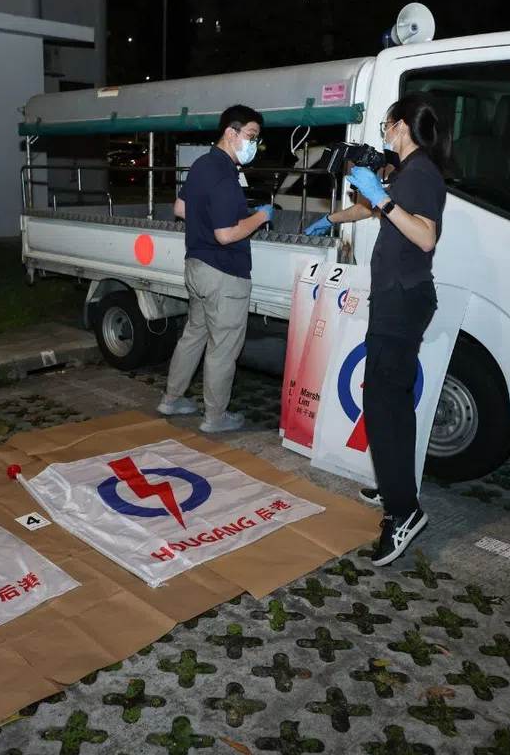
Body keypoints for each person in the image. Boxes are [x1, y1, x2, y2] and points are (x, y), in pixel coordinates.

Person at [305, 94, 449, 566]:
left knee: (383, 403)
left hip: (404, 300)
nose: (383, 132)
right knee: (388, 400)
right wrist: (332, 218)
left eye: (388, 123)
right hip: (395, 297)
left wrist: (383, 198)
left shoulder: (422, 173)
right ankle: (393, 484)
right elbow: (373, 211)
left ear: (403, 126)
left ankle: (403, 512)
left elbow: (425, 234)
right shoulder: (407, 172)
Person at [157, 105, 274, 433]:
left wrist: (212, 216)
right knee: (223, 347)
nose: (254, 143)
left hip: (196, 267)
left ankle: (171, 398)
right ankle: (215, 417)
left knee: (194, 335)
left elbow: (180, 208)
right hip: (224, 273)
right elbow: (226, 235)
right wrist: (261, 216)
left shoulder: (202, 164)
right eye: (251, 136)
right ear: (231, 133)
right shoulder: (224, 174)